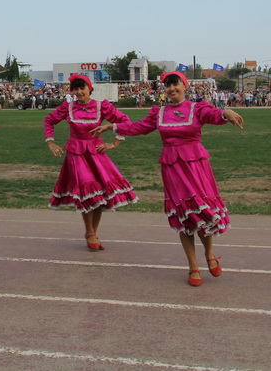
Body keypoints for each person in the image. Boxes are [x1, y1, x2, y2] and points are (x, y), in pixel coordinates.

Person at [92, 71, 244, 286]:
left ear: (184, 85)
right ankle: (193, 267)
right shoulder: (159, 113)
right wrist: (113, 126)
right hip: (172, 169)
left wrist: (225, 111)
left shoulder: (197, 108)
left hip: (196, 167)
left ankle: (209, 254)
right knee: (183, 217)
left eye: (175, 84)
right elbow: (139, 127)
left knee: (202, 212)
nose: (172, 88)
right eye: (168, 85)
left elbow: (214, 116)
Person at [44, 73, 138, 251]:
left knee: (100, 196)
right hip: (76, 155)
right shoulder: (68, 107)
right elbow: (49, 120)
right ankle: (90, 232)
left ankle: (92, 232)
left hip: (97, 154)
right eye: (76, 89)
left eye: (82, 88)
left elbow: (124, 121)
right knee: (88, 192)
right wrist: (50, 142)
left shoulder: (102, 106)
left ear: (90, 89)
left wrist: (115, 142)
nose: (79, 92)